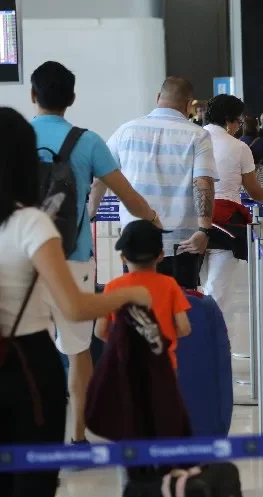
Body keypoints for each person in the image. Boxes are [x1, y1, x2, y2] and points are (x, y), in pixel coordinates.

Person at [0, 107, 151, 497]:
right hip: (28, 369)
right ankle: (78, 439)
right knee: (31, 485)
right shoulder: (30, 223)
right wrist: (128, 293)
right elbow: (74, 307)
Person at [29, 61, 160, 448]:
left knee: (22, 345)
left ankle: (31, 438)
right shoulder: (87, 142)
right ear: (71, 99)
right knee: (77, 349)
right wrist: (152, 217)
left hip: (22, 259)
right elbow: (129, 197)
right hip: (73, 258)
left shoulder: (14, 137)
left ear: (33, 96)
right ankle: (78, 437)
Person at [107, 77, 218, 289]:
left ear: (158, 98)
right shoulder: (198, 136)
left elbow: (102, 173)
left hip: (136, 238)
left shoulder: (126, 130)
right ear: (188, 105)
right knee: (180, 309)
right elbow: (203, 181)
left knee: (138, 310)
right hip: (182, 244)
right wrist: (204, 231)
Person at [201, 95, 263, 328]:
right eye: (238, 122)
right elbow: (254, 191)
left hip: (190, 221)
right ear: (230, 120)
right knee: (217, 292)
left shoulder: (192, 139)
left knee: (194, 289)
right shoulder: (238, 147)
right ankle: (214, 345)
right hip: (226, 224)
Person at [94, 220, 192, 371]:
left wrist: (121, 344)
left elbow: (100, 331)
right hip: (162, 365)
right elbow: (184, 328)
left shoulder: (112, 287)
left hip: (125, 363)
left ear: (123, 258)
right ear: (160, 256)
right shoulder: (169, 285)